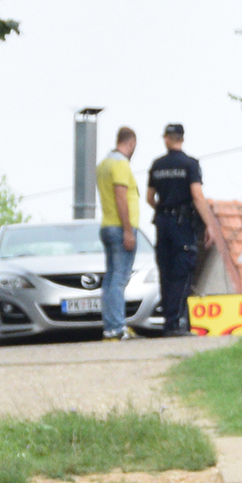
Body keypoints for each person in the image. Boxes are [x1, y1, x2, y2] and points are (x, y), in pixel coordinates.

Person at [146, 122, 219, 337]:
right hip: (182, 224)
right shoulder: (190, 164)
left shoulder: (157, 165)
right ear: (182, 138)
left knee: (166, 272)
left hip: (162, 223)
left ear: (166, 139)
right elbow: (197, 196)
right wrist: (209, 226)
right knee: (182, 272)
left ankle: (169, 321)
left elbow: (150, 197)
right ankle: (175, 322)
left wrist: (163, 209)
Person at [97, 125, 144, 342]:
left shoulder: (104, 164)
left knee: (109, 279)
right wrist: (128, 230)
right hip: (120, 227)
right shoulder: (121, 165)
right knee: (119, 279)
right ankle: (117, 327)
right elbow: (121, 197)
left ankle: (109, 327)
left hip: (106, 225)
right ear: (131, 143)